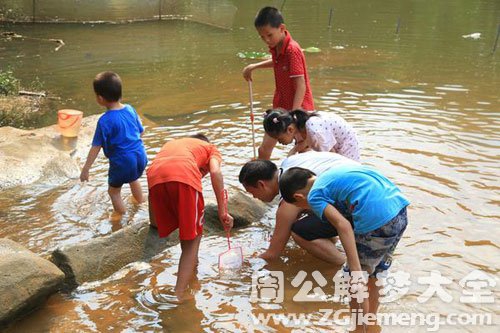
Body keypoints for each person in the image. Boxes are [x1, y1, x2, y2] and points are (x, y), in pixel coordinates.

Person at [279, 166, 409, 328]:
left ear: (298, 197)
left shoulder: (313, 196)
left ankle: (358, 329)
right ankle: (371, 323)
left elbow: (343, 225)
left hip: (374, 219)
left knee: (353, 280)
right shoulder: (329, 176)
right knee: (374, 274)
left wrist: (355, 269)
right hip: (398, 211)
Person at [146, 134, 234, 301]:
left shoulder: (173, 143)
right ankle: (179, 294)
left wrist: (155, 222)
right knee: (193, 238)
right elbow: (216, 172)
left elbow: (157, 178)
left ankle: (193, 268)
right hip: (184, 177)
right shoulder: (211, 149)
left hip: (154, 177)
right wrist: (223, 211)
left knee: (187, 231)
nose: (202, 173)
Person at [238, 151, 359, 264]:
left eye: (251, 192)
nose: (254, 197)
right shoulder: (289, 164)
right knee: (307, 216)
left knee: (299, 232)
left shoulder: (289, 196)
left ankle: (344, 263)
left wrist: (246, 262)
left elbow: (273, 254)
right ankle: (336, 248)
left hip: (359, 205)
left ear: (261, 184)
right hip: (365, 184)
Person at [242, 6, 315, 160]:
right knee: (263, 151)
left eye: (269, 35)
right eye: (262, 37)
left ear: (282, 29)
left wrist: (293, 115)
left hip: (298, 110)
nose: (266, 40)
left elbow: (300, 85)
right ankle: (263, 181)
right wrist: (254, 66)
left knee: (303, 151)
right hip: (281, 109)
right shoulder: (276, 47)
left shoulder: (292, 50)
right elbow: (277, 62)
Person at [80, 71, 147, 216]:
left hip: (122, 162)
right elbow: (141, 132)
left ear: (100, 98)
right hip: (140, 156)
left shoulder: (105, 121)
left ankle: (120, 217)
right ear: (120, 93)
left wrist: (86, 168)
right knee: (133, 178)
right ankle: (141, 203)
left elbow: (96, 147)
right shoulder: (130, 109)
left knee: (113, 191)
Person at [263, 109, 360, 161]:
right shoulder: (298, 125)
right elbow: (302, 145)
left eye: (279, 139)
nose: (279, 142)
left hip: (347, 145)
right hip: (335, 144)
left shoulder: (313, 130)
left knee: (345, 173)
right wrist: (293, 151)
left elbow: (332, 157)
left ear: (290, 130)